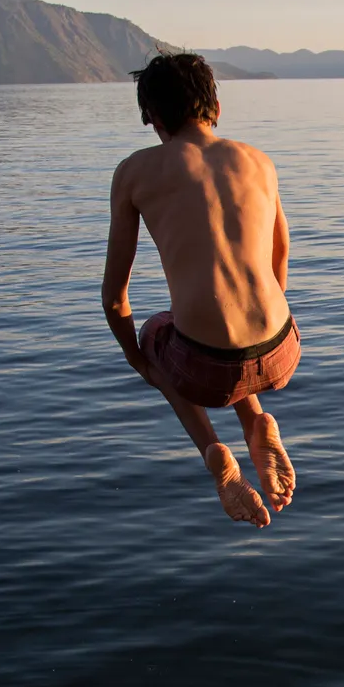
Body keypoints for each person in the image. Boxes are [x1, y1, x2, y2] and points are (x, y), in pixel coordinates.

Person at [102, 53, 300, 527]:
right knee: (223, 339)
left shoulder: (135, 172)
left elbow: (114, 298)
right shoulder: (258, 161)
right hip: (282, 348)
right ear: (216, 105)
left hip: (205, 371)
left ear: (152, 117)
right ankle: (257, 421)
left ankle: (214, 452)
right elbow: (281, 257)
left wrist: (140, 364)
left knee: (157, 331)